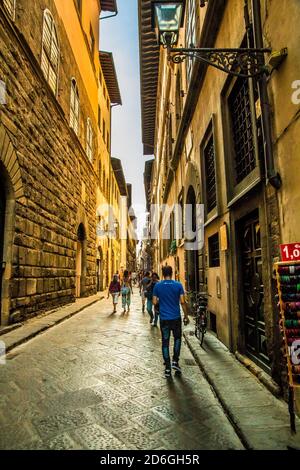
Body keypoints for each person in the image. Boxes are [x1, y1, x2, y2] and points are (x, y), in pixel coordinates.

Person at [153, 265, 189, 378]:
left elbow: (154, 302)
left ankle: (167, 368)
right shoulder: (178, 285)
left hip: (164, 319)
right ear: (172, 273)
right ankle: (175, 361)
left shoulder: (158, 286)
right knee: (177, 339)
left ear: (163, 274)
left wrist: (161, 301)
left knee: (165, 342)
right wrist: (186, 316)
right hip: (176, 318)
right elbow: (182, 302)